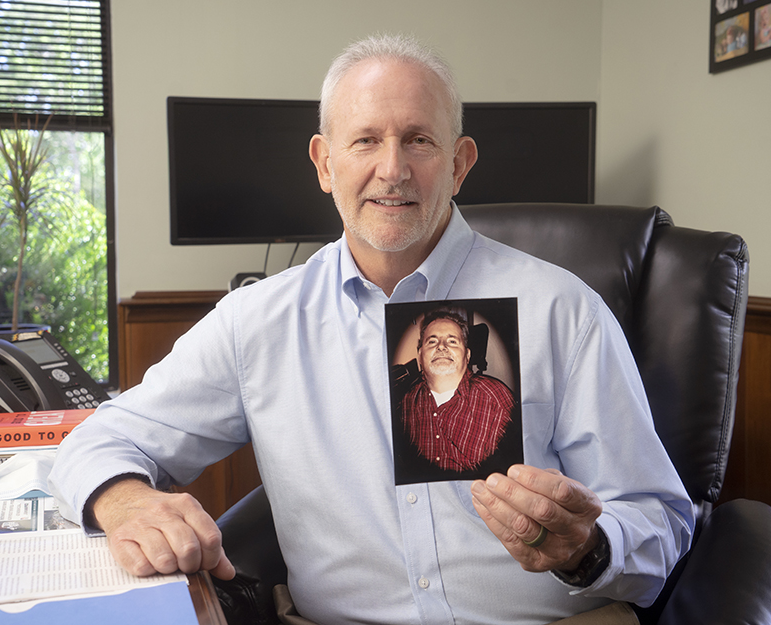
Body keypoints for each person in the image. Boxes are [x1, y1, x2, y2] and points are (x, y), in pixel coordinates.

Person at [49, 34, 694, 625]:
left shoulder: (563, 311)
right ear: (325, 163)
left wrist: (588, 547)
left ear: (460, 163)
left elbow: (663, 520)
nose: (393, 168)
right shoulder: (258, 323)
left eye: (419, 140)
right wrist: (126, 501)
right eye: (365, 141)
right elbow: (101, 437)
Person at [399, 309, 515, 472]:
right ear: (420, 356)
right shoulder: (406, 402)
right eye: (432, 342)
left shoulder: (497, 401)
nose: (441, 347)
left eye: (452, 341)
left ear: (467, 356)